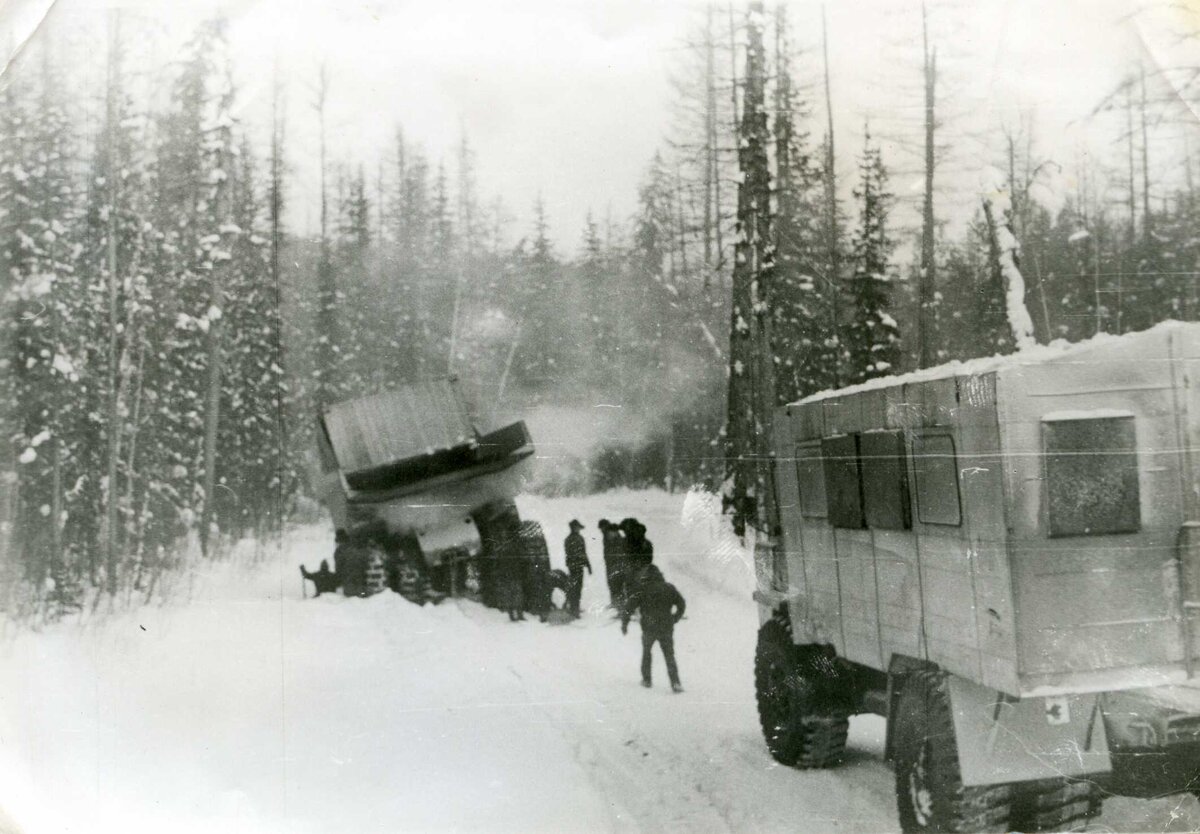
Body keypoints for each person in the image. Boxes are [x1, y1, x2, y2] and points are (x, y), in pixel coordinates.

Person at [621, 564, 686, 693]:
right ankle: (675, 683)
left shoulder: (642, 589)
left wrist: (625, 624)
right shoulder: (669, 588)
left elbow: (629, 607)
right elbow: (681, 603)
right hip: (666, 626)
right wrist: (675, 617)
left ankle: (647, 680)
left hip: (649, 626)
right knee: (669, 655)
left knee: (647, 653)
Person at [598, 519, 628, 611]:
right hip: (611, 565)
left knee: (617, 585)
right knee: (612, 584)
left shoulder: (612, 535)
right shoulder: (607, 536)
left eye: (602, 528)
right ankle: (616, 604)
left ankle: (622, 608)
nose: (601, 530)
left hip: (616, 565)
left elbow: (619, 552)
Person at [564, 519, 592, 618]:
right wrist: (586, 564)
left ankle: (575, 607)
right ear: (573, 528)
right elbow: (572, 554)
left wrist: (588, 565)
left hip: (578, 567)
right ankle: (573, 609)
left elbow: (584, 553)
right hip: (574, 567)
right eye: (577, 527)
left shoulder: (578, 538)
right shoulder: (570, 539)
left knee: (578, 588)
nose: (579, 529)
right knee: (575, 588)